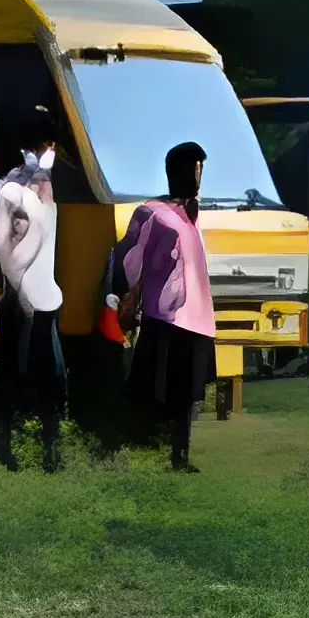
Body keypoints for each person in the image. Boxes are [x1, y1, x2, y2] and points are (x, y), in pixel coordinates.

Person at [106, 139, 218, 472]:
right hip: (166, 317)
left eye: (201, 169)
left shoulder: (193, 217)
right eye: (194, 168)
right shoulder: (153, 213)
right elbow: (128, 257)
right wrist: (125, 297)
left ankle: (178, 456)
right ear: (178, 172)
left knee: (185, 395)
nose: (198, 176)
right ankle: (123, 446)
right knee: (150, 389)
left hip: (196, 317)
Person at [0, 111, 69, 471]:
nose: (46, 152)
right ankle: (7, 448)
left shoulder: (50, 191)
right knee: (13, 374)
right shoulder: (2, 189)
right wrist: (1, 289)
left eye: (49, 145)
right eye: (40, 146)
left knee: (52, 375)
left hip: (43, 298)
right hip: (15, 301)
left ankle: (50, 450)